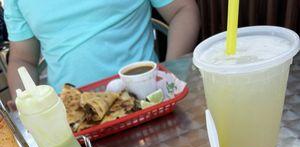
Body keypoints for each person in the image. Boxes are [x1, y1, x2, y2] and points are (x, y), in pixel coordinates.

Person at [4, 0, 200, 100]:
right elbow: (22, 59)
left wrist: (169, 76)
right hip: (71, 118)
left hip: (145, 99)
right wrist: (29, 104)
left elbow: (182, 9)